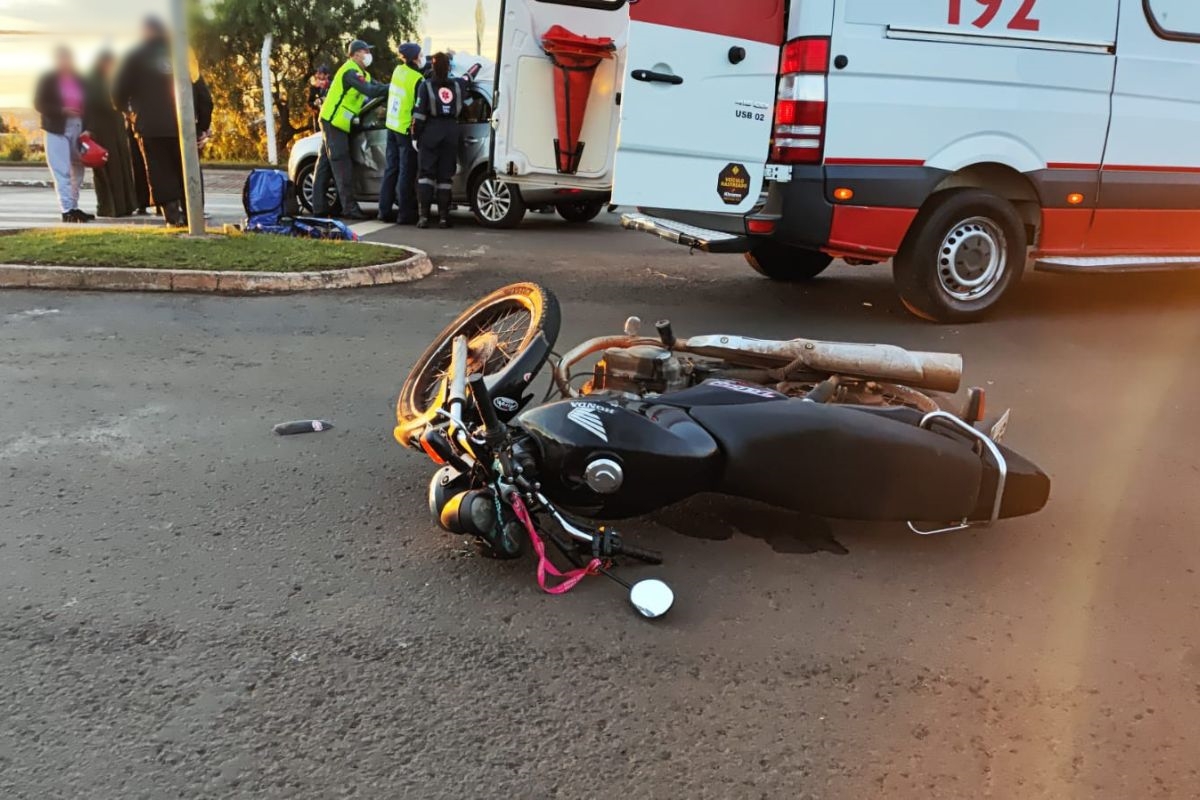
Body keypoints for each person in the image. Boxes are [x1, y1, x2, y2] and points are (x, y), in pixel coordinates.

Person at [114, 16, 210, 227]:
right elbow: (203, 93)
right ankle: (193, 214)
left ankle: (173, 217)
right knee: (186, 168)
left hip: (149, 126)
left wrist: (129, 113)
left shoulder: (134, 56)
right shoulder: (182, 53)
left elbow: (118, 92)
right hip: (184, 126)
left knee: (160, 172)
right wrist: (202, 126)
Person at [312, 39, 387, 221]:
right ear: (354, 54)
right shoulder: (349, 71)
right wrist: (393, 88)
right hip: (333, 123)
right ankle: (349, 208)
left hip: (339, 124)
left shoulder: (362, 74)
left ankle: (319, 207)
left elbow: (376, 87)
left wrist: (390, 87)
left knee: (325, 165)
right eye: (365, 51)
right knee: (341, 165)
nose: (368, 54)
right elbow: (370, 90)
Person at [34, 46, 92, 224]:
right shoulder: (48, 79)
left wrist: (88, 127)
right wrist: (61, 110)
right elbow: (39, 103)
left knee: (78, 168)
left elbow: (89, 104)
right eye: (62, 59)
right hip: (56, 127)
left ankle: (74, 206)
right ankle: (66, 209)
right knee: (62, 170)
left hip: (77, 125)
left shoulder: (79, 79)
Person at [83, 51, 138, 218]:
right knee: (107, 169)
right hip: (101, 128)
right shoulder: (92, 80)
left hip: (114, 127)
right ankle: (110, 207)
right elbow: (101, 102)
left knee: (120, 166)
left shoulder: (108, 79)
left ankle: (124, 206)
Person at [412, 52, 464, 229]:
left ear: (432, 67)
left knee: (426, 176)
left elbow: (418, 116)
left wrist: (415, 136)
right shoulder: (458, 85)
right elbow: (469, 78)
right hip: (451, 132)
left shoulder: (425, 86)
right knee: (445, 178)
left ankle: (424, 217)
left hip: (431, 131)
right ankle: (444, 218)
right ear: (449, 67)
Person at [378, 43, 423, 224]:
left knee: (391, 169)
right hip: (405, 130)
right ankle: (405, 214)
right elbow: (418, 104)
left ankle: (384, 210)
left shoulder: (398, 70)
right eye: (420, 55)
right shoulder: (417, 79)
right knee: (406, 172)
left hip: (392, 126)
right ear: (414, 58)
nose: (422, 58)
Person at [307, 65, 331, 133]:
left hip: (331, 117)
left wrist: (322, 100)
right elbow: (309, 103)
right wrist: (314, 103)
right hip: (318, 119)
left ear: (327, 75)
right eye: (317, 73)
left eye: (320, 73)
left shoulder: (332, 85)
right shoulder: (313, 88)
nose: (317, 75)